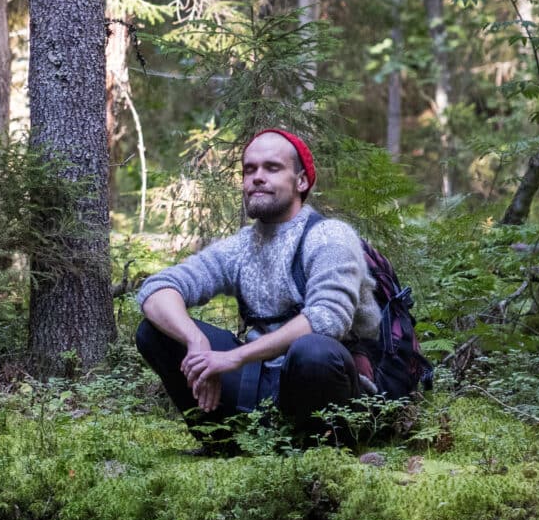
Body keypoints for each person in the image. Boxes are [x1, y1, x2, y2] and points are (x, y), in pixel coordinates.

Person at [130, 128, 395, 446]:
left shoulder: (330, 237)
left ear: (301, 182)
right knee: (155, 332)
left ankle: (320, 446)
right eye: (249, 169)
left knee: (313, 350)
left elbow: (328, 319)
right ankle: (226, 442)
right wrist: (195, 340)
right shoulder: (241, 247)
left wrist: (234, 358)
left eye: (272, 168)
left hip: (332, 385)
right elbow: (158, 289)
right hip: (260, 380)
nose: (257, 177)